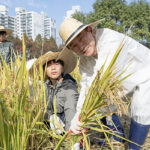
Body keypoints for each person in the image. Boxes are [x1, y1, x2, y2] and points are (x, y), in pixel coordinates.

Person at [58, 18, 150, 150]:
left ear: (90, 30)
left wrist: (83, 117)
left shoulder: (110, 40)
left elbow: (101, 82)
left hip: (146, 75)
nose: (80, 46)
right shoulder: (84, 62)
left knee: (141, 108)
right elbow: (85, 87)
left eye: (80, 38)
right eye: (74, 46)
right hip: (125, 85)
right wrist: (77, 118)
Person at [29, 51, 80, 150]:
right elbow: (42, 110)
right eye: (49, 66)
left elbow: (71, 112)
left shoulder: (69, 88)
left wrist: (72, 140)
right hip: (52, 131)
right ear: (45, 70)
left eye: (56, 64)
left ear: (62, 67)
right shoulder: (45, 86)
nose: (53, 68)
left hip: (66, 130)